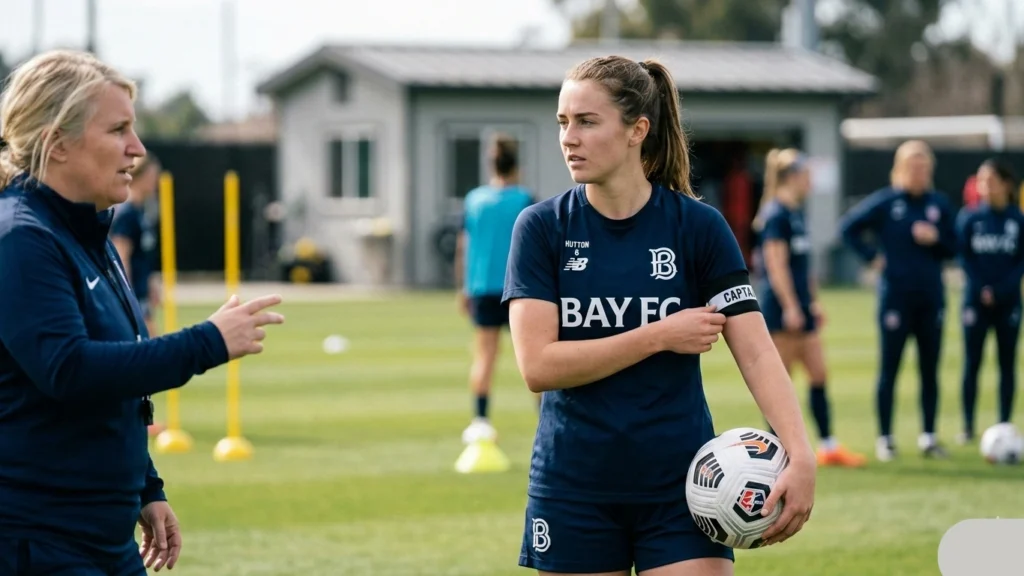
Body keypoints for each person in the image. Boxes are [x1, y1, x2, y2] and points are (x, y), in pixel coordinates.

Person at [504, 55, 816, 576]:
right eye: (563, 122)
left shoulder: (698, 228)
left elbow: (758, 352)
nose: (569, 138)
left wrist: (801, 455)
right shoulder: (540, 228)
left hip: (687, 487)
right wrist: (657, 335)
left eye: (586, 121)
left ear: (637, 130)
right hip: (574, 486)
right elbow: (538, 366)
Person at [0, 49, 284, 575]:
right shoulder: (20, 237)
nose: (138, 148)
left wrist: (145, 487)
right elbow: (70, 369)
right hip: (39, 543)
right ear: (56, 143)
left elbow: (114, 382)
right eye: (118, 130)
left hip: (104, 542)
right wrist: (208, 342)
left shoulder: (88, 232)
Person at [839, 139, 957, 462]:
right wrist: (872, 257)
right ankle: (886, 438)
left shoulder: (939, 204)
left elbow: (954, 247)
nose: (919, 173)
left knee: (929, 368)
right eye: (913, 167)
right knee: (890, 368)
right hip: (895, 297)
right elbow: (848, 228)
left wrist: (936, 239)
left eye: (924, 168)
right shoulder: (887, 202)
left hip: (931, 297)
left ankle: (929, 436)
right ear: (901, 169)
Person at [751, 148, 867, 468]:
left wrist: (812, 302)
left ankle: (829, 446)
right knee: (779, 384)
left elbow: (804, 267)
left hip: (802, 309)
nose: (811, 182)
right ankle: (775, 454)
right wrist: (790, 306)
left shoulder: (796, 213)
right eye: (806, 176)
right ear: (792, 177)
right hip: (783, 312)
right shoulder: (775, 215)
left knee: (818, 374)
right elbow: (776, 266)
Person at [454, 134, 536, 444]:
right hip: (519, 288)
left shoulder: (474, 199)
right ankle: (545, 421)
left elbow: (463, 247)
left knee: (485, 355)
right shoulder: (525, 198)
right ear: (517, 166)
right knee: (533, 356)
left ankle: (480, 420)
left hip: (482, 288)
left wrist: (462, 288)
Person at [954, 158, 1024, 443]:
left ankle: (1004, 424)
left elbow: (1020, 262)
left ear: (1006, 184)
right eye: (981, 181)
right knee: (972, 362)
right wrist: (981, 287)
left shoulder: (1018, 220)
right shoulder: (969, 218)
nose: (986, 186)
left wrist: (1002, 289)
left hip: (1008, 302)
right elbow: (964, 257)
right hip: (975, 301)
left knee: (1007, 363)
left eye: (991, 180)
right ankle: (968, 426)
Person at [111, 153, 165, 436]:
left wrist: (154, 284)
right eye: (154, 177)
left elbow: (146, 255)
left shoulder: (143, 212)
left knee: (150, 351)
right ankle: (142, 416)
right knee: (146, 354)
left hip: (143, 293)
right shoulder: (127, 213)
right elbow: (122, 254)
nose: (156, 183)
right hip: (134, 297)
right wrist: (129, 297)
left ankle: (143, 413)